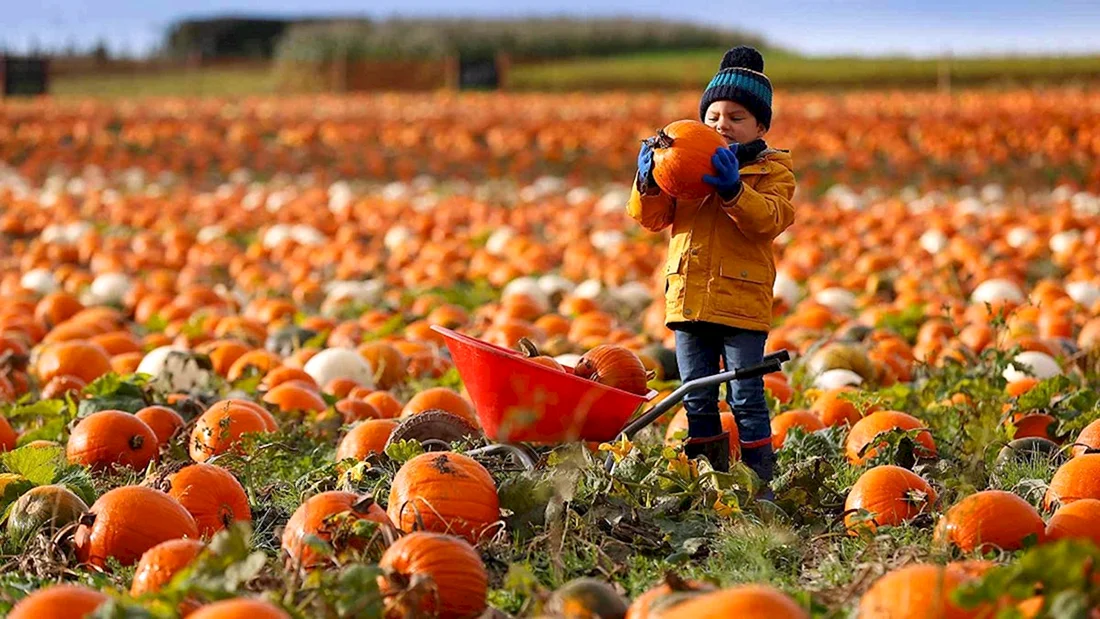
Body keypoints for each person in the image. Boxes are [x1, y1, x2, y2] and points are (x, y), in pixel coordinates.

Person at [626, 45, 796, 493]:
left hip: (742, 304)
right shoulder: (683, 167)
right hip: (688, 300)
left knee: (746, 396)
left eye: (737, 117)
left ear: (760, 126)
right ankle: (708, 477)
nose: (723, 125)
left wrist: (734, 190)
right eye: (714, 116)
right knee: (697, 395)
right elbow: (653, 219)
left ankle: (759, 480)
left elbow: (770, 221)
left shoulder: (774, 171)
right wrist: (647, 183)